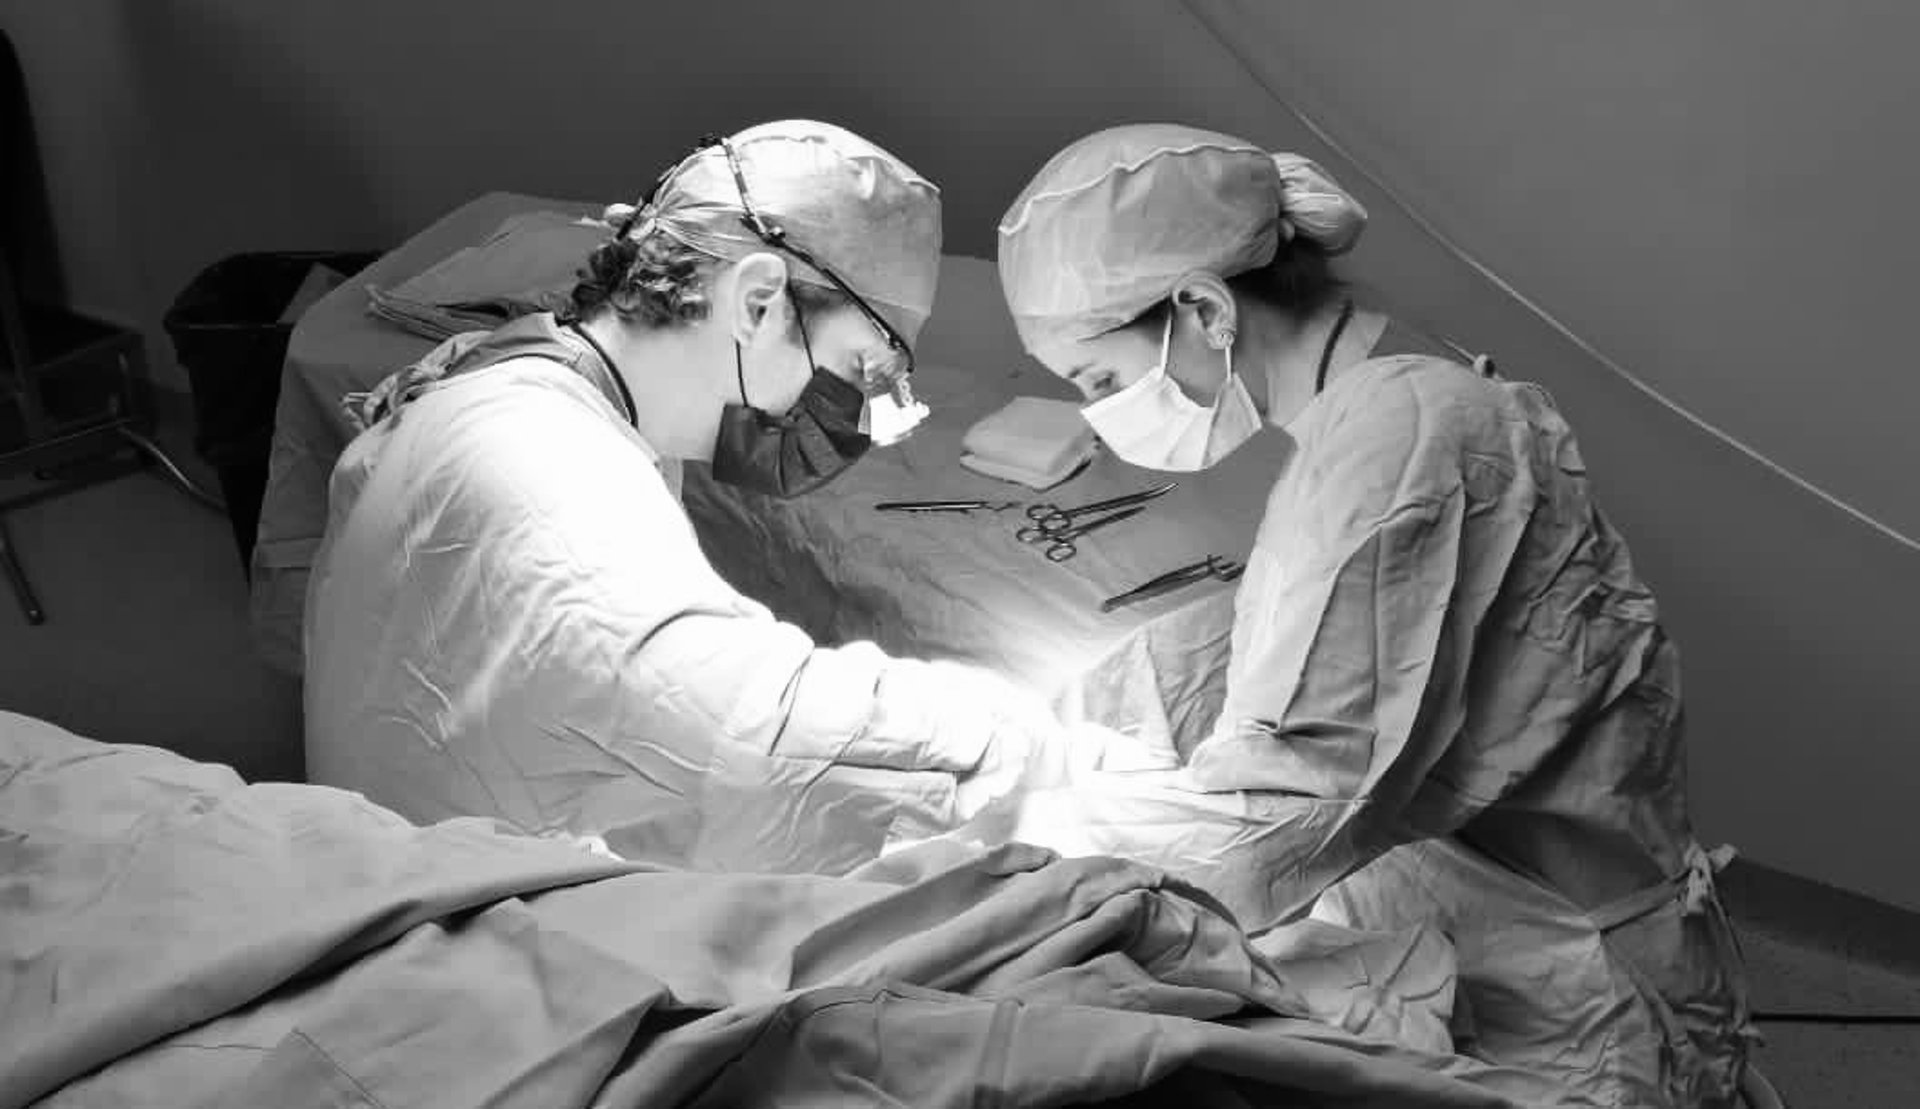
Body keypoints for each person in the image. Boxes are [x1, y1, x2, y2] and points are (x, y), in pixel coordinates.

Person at [989, 124, 1753, 1107]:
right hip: (1487, 890)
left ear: (1204, 308)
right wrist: (1082, 708)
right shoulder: (1380, 397)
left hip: (1567, 1001)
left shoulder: (1398, 447)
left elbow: (1282, 818)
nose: (1102, 412)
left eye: (1102, 380)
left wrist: (1017, 856)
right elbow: (1305, 629)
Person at [303, 120, 1090, 877]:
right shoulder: (542, 457)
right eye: (860, 368)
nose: (849, 410)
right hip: (468, 926)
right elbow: (752, 729)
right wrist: (1016, 734)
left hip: (435, 839)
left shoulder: (533, 384)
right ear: (757, 300)